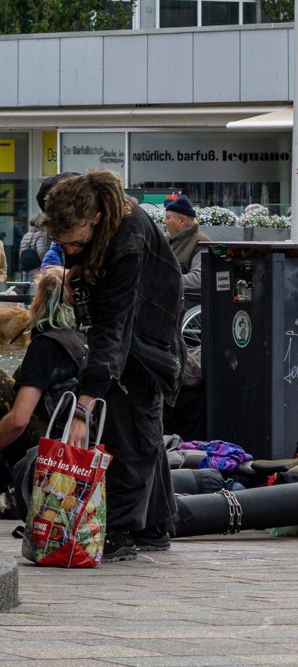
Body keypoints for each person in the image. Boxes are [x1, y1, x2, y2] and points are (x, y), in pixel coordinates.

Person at [41, 169, 184, 561]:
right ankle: (154, 526)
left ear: (97, 219)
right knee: (139, 428)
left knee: (131, 431)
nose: (70, 250)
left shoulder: (127, 242)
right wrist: (76, 270)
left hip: (145, 339)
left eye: (76, 243)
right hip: (136, 334)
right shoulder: (87, 204)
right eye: (62, 244)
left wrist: (84, 405)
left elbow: (113, 329)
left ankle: (119, 529)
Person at [0, 267, 86, 473]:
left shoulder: (46, 345)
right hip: (72, 443)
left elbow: (19, 420)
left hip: (45, 448)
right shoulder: (83, 340)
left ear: (42, 301)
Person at [163, 195, 211, 300]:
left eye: (167, 217)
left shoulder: (201, 242)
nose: (163, 221)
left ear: (182, 222)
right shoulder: (166, 240)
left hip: (186, 302)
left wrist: (164, 279)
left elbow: (199, 278)